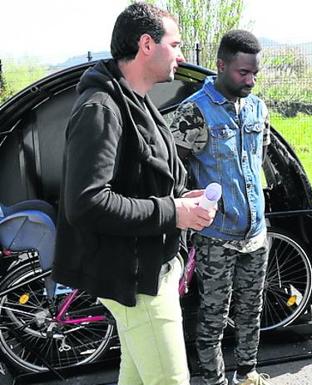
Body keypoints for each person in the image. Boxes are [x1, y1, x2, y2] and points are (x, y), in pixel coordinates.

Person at [52, 3, 216, 385]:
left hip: (150, 269)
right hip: (136, 281)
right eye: (174, 44)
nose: (182, 54)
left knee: (138, 378)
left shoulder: (136, 100)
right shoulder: (101, 108)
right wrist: (172, 211)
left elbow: (142, 177)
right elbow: (87, 203)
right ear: (147, 44)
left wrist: (180, 199)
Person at [169, 30, 271, 385]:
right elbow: (171, 170)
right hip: (215, 237)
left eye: (255, 72)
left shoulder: (257, 107)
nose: (251, 80)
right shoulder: (195, 110)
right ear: (221, 65)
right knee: (213, 317)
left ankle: (248, 374)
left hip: (255, 234)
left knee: (250, 310)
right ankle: (214, 380)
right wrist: (188, 206)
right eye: (243, 72)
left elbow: (260, 158)